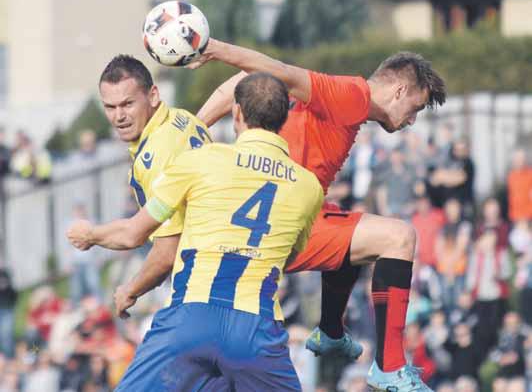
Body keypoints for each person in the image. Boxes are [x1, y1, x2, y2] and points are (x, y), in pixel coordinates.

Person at [188, 38, 446, 390]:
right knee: (399, 237)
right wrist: (214, 48)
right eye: (415, 109)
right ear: (399, 90)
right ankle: (389, 366)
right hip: (280, 225)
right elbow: (273, 70)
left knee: (354, 228)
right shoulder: (352, 95)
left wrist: (193, 127)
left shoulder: (345, 104)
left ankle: (330, 331)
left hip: (272, 219)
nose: (411, 121)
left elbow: (242, 83)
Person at [67, 73, 324, 391]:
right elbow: (290, 255)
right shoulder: (309, 187)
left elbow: (134, 232)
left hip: (192, 317)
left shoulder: (201, 161)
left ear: (237, 113)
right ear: (284, 117)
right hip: (256, 329)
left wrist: (91, 235)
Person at [96, 54, 243, 318]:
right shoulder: (179, 118)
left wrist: (129, 290)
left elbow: (166, 252)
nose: (119, 116)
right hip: (231, 280)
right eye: (110, 107)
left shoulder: (156, 155)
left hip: (204, 290)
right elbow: (239, 81)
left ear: (153, 96)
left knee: (149, 360)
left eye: (127, 104)